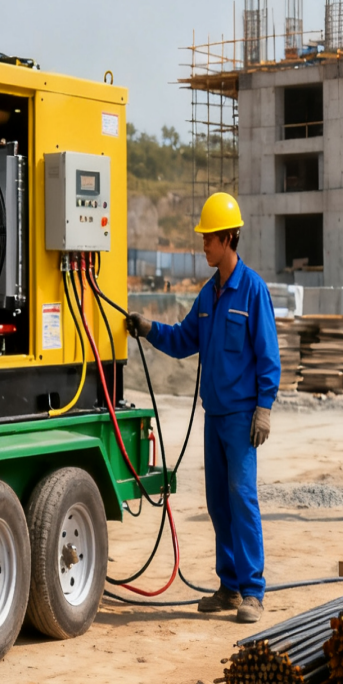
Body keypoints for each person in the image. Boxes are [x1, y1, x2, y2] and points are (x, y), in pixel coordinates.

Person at [124, 192, 280, 624]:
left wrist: (264, 407)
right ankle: (229, 586)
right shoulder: (209, 295)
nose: (203, 245)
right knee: (218, 502)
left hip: (241, 418)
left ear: (229, 238)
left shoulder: (252, 291)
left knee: (242, 498)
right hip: (214, 416)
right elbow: (181, 339)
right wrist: (149, 328)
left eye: (209, 238)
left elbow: (269, 356)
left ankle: (253, 591)